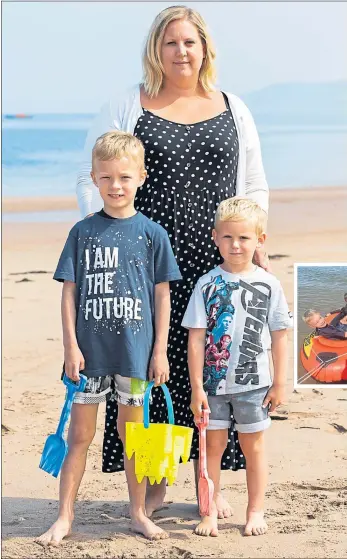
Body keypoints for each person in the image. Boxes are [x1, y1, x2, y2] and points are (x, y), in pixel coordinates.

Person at [76, 5, 270, 516]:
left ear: (205, 48)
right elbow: (88, 175)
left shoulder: (234, 106)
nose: (180, 51)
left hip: (218, 259)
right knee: (151, 368)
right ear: (155, 50)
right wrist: (109, 241)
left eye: (189, 42)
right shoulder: (127, 105)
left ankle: (211, 483)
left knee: (217, 369)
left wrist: (255, 241)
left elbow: (253, 182)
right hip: (147, 262)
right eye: (170, 43)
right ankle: (155, 481)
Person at [37, 131, 182, 546]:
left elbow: (162, 295)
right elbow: (68, 292)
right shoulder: (82, 233)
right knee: (79, 435)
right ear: (94, 180)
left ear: (141, 177)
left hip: (136, 356)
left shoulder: (153, 234)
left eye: (124, 177)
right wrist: (70, 346)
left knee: (133, 436)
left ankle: (137, 512)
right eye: (106, 178)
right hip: (89, 357)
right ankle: (64, 516)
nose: (116, 186)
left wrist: (159, 352)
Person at [183, 197, 291, 537]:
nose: (235, 245)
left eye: (244, 238)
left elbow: (280, 336)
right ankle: (209, 511)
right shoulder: (206, 284)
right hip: (213, 387)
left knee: (253, 448)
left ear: (260, 240)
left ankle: (255, 510)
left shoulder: (269, 284)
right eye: (228, 237)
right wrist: (197, 386)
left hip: (255, 384)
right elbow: (196, 340)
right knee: (211, 448)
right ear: (215, 237)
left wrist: (280, 383)